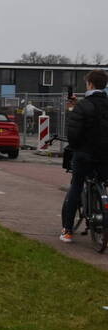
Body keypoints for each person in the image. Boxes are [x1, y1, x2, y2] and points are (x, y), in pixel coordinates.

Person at [60, 70, 108, 243]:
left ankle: (67, 230)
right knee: (103, 183)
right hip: (105, 157)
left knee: (76, 187)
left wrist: (73, 108)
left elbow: (74, 133)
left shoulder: (83, 106)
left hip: (85, 155)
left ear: (90, 84)